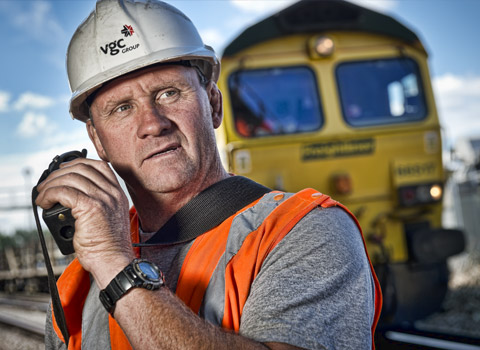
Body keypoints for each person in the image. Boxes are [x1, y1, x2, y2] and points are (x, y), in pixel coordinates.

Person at [36, 0, 381, 349]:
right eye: (122, 108)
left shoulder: (302, 232)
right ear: (97, 140)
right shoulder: (74, 288)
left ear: (214, 104)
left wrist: (114, 264)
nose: (153, 124)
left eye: (169, 93)